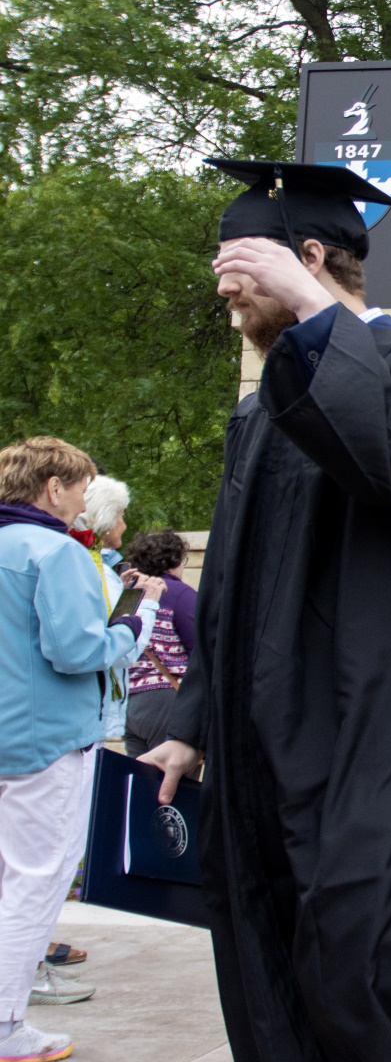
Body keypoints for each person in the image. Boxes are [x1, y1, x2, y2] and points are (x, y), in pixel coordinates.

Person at [141, 159, 391, 1062]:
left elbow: (390, 459)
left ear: (306, 258)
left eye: (238, 278)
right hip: (258, 732)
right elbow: (229, 585)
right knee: (262, 945)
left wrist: (309, 304)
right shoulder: (260, 414)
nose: (228, 302)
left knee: (368, 960)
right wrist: (190, 722)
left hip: (367, 729)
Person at [0, 437, 160, 1062]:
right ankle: (8, 1026)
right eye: (81, 487)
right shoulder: (54, 552)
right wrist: (133, 624)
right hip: (46, 742)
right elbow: (76, 652)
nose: (83, 499)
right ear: (54, 487)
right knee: (35, 884)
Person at [120, 529, 199, 757]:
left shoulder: (128, 593)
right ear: (173, 561)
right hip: (166, 698)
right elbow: (199, 650)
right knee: (174, 781)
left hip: (129, 701)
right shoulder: (180, 594)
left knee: (140, 781)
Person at [70, 474, 133, 739]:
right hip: (86, 708)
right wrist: (147, 608)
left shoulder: (93, 562)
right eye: (120, 515)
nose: (124, 525)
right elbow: (122, 652)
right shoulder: (87, 564)